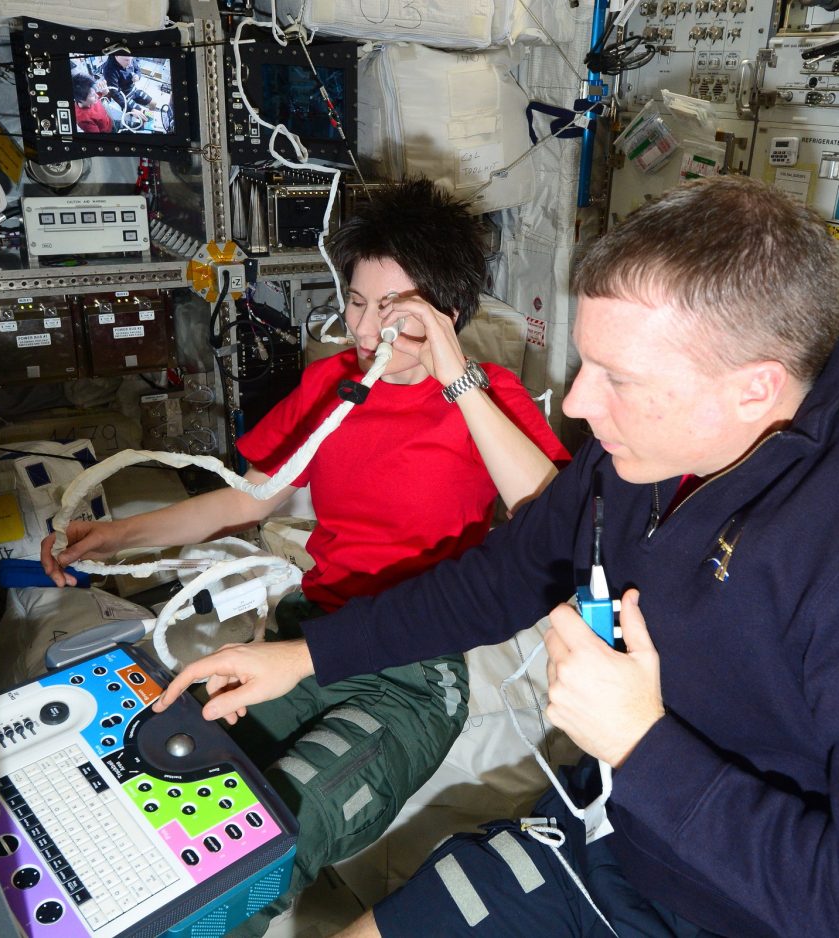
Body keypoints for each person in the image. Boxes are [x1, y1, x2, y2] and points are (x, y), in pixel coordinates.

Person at [157, 175, 839, 937]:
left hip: (737, 907)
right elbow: (506, 574)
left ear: (753, 387)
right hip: (611, 836)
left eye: (616, 378)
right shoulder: (645, 453)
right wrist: (307, 656)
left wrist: (643, 747)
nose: (578, 403)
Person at [42, 178, 570, 934]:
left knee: (264, 839)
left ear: (448, 316)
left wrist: (456, 379)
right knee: (172, 772)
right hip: (305, 636)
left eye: (398, 309)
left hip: (412, 672)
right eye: (358, 302)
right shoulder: (333, 386)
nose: (367, 328)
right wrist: (116, 536)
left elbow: (544, 513)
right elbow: (250, 499)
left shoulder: (488, 397)